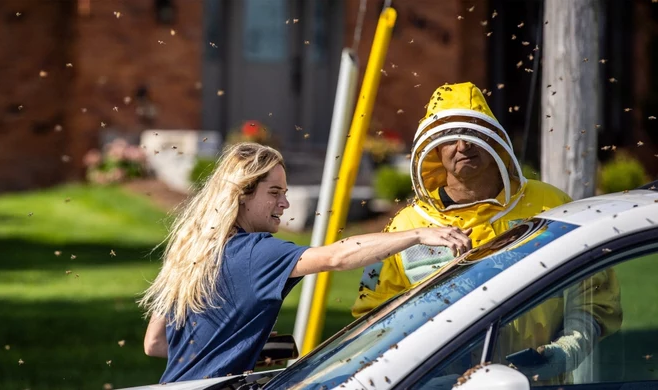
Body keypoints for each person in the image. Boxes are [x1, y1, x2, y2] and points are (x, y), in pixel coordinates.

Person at [351, 82, 621, 385]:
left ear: (495, 140)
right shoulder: (406, 227)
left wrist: (567, 349)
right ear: (434, 149)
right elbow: (373, 322)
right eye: (449, 137)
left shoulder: (550, 204)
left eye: (474, 132)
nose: (463, 145)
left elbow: (595, 295)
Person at [138, 142, 472, 383]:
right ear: (242, 194)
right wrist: (416, 235)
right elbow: (337, 256)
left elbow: (155, 343)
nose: (284, 203)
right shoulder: (255, 253)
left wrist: (242, 347)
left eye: (285, 192)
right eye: (274, 193)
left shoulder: (193, 252)